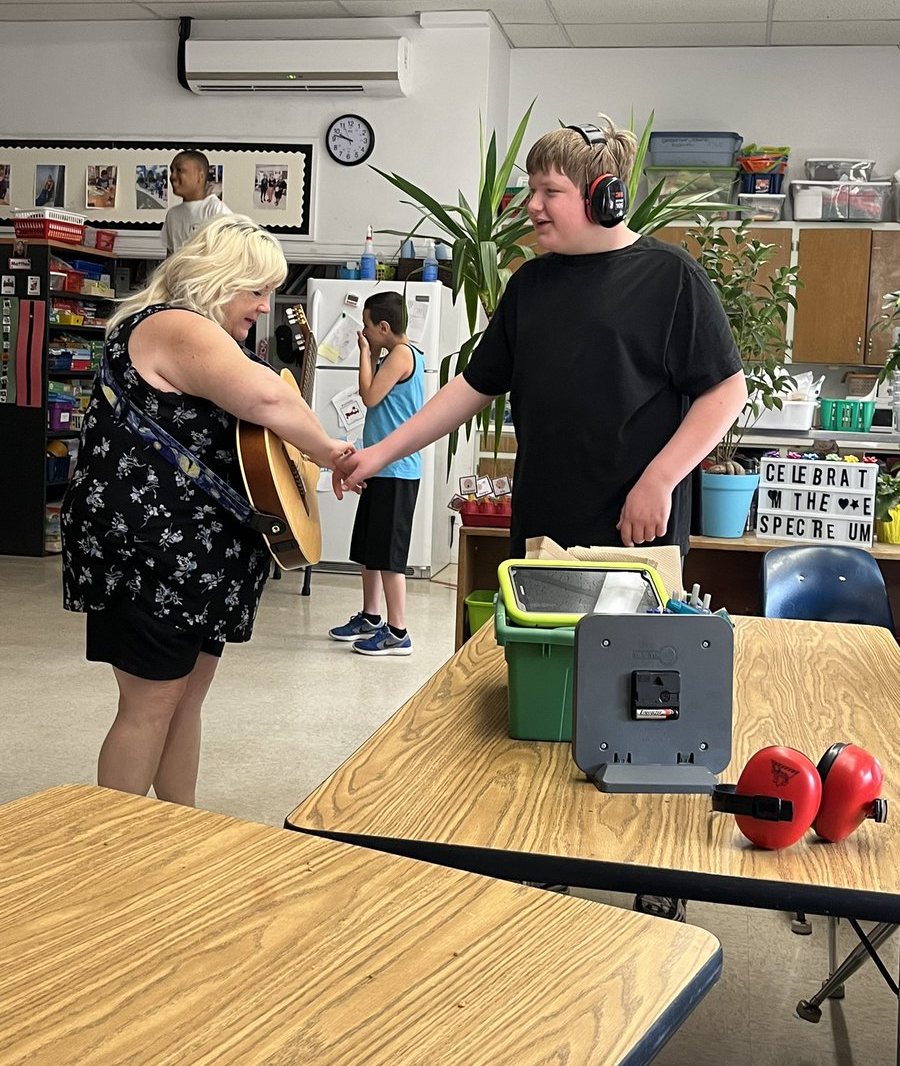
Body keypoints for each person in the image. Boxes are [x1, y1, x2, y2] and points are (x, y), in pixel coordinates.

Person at [334, 117, 748, 916]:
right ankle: (548, 860)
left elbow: (724, 391)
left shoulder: (670, 279)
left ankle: (648, 873)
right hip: (546, 533)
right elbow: (471, 387)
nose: (531, 205)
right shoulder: (531, 286)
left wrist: (660, 478)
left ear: (605, 195)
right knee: (553, 699)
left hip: (636, 538)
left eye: (548, 191)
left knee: (640, 705)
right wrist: (379, 453)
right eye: (531, 188)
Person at [62, 214, 353, 807]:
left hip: (191, 557)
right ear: (218, 279)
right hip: (149, 553)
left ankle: (181, 826)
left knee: (184, 698)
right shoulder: (176, 324)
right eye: (258, 291)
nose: (265, 307)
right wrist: (333, 453)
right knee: (149, 704)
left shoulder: (200, 334)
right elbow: (267, 397)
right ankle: (109, 842)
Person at [329, 291, 424, 656]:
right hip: (380, 468)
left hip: (396, 470)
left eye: (368, 327)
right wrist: (369, 354)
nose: (364, 333)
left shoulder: (401, 354)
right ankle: (371, 617)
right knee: (370, 549)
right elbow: (371, 394)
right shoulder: (394, 354)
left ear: (384, 327)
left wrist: (364, 354)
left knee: (388, 556)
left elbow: (369, 397)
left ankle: (398, 632)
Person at [163, 150, 230, 255]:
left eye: (179, 170)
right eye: (172, 171)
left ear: (200, 176)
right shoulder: (172, 215)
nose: (172, 176)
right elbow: (170, 256)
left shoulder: (216, 210)